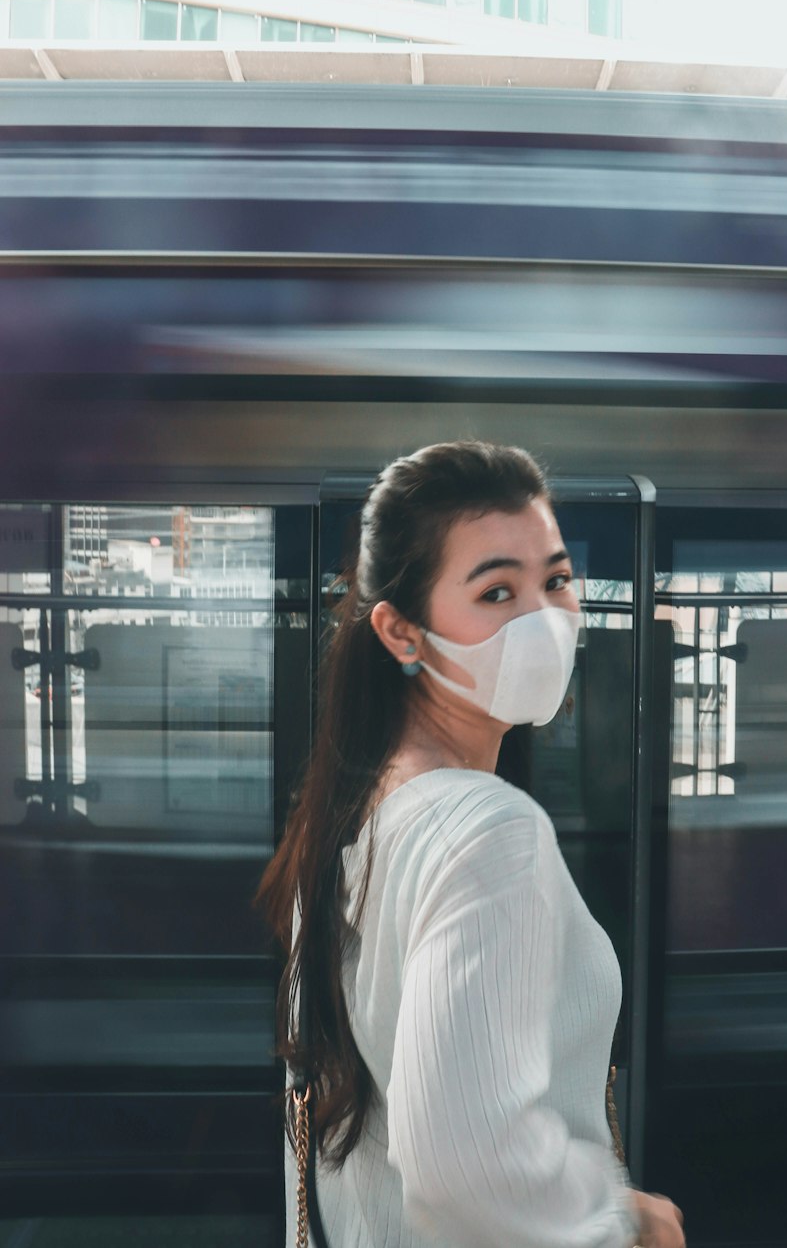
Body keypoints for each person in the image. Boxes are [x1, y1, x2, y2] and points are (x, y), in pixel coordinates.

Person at [255, 439, 686, 1248]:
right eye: (496, 591)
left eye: (555, 580)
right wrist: (624, 1215)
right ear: (402, 633)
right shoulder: (491, 834)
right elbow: (466, 1165)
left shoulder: (353, 816)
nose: (545, 620)